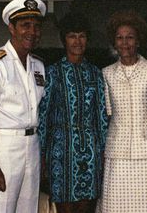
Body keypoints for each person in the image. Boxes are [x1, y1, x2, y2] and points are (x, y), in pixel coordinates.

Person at [0, 0, 47, 213]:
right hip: (3, 149)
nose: (32, 32)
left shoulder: (38, 65)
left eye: (36, 26)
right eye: (25, 25)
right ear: (11, 28)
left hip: (32, 147)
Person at [97, 10, 147, 213]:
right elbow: (109, 114)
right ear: (114, 42)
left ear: (138, 41)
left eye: (130, 37)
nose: (125, 43)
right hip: (117, 150)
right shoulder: (107, 73)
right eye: (119, 38)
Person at [38, 11, 108, 213]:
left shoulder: (95, 73)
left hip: (90, 151)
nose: (77, 41)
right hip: (61, 152)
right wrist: (42, 154)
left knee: (87, 207)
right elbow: (43, 117)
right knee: (65, 207)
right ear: (64, 40)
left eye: (82, 36)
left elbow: (102, 115)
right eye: (72, 36)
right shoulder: (52, 72)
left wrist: (103, 149)